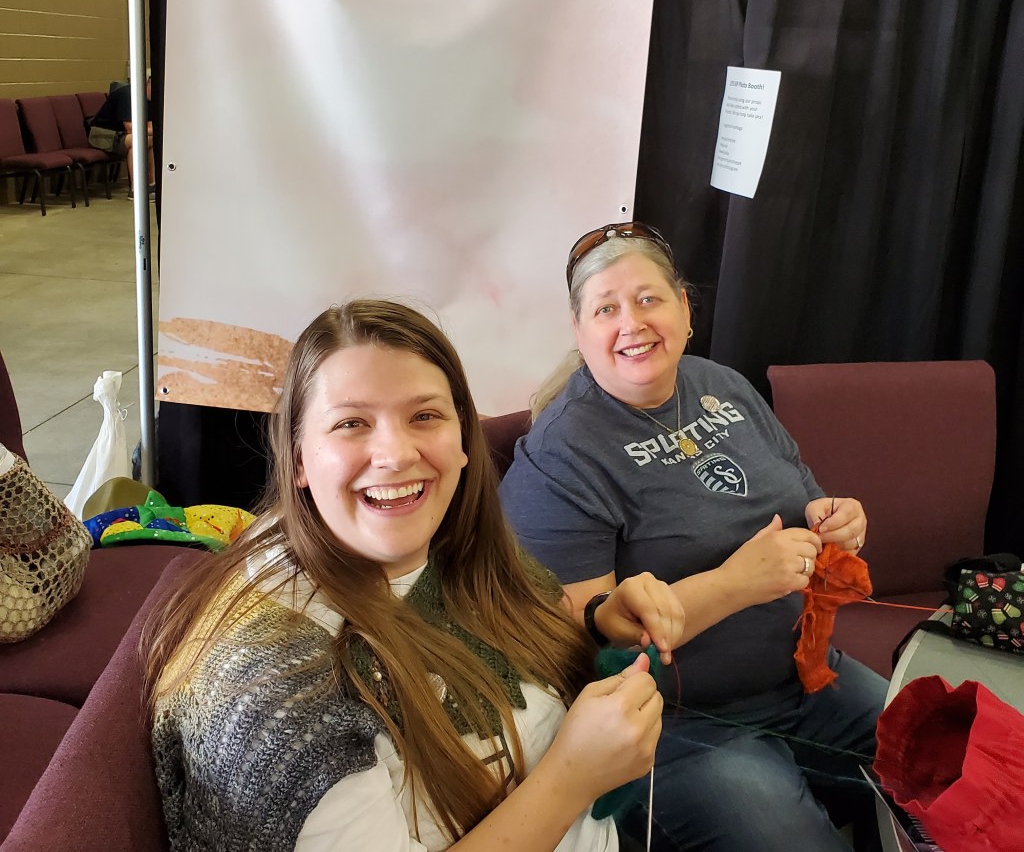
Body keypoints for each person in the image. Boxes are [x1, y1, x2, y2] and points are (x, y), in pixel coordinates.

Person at [144, 298, 686, 852]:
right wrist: (573, 779)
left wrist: (597, 627)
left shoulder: (454, 549)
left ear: (463, 438)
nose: (396, 454)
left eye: (424, 416)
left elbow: (514, 666)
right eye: (352, 423)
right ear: (299, 459)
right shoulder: (273, 699)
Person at [499, 223, 888, 852]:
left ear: (685, 309)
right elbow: (573, 647)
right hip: (674, 729)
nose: (632, 322)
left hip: (806, 681)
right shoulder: (560, 457)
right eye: (606, 308)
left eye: (649, 299)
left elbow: (804, 499)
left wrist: (837, 520)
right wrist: (737, 585)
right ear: (579, 332)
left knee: (964, 759)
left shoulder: (723, 386)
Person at [88, 74, 154, 188]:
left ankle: (150, 185)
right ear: (148, 84)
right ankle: (137, 188)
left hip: (122, 135)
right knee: (143, 141)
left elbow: (149, 125)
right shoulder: (128, 95)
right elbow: (131, 128)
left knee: (142, 144)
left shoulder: (149, 100)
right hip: (102, 135)